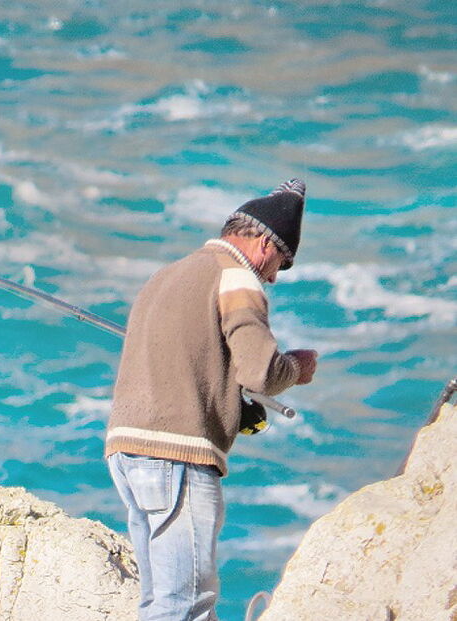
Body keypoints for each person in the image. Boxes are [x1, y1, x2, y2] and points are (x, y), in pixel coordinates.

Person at [105, 179, 318, 620]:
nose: (274, 276)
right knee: (187, 604)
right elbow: (262, 371)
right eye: (280, 262)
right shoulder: (237, 275)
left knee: (158, 601)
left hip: (126, 451)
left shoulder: (167, 274)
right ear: (263, 243)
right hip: (176, 456)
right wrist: (297, 368)